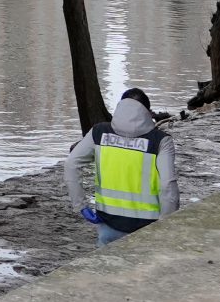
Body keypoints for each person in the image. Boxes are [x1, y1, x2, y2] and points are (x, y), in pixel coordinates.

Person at [62, 88, 180, 245]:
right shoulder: (161, 141)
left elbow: (71, 164)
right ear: (148, 112)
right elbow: (168, 185)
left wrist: (81, 205)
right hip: (148, 228)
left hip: (108, 225)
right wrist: (165, 225)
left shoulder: (99, 133)